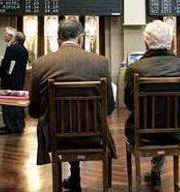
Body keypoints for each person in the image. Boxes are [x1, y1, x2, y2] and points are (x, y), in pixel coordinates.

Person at [29, 19, 117, 192]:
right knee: (81, 119)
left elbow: (35, 110)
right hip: (93, 135)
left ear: (57, 39)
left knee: (63, 121)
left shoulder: (41, 64)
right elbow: (109, 107)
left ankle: (73, 176)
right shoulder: (100, 63)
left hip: (56, 137)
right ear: (81, 39)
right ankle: (75, 175)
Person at [124, 20, 180, 188]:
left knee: (154, 119)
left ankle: (153, 171)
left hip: (142, 135)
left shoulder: (134, 69)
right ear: (170, 41)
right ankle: (157, 169)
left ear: (146, 42)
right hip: (176, 134)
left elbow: (129, 103)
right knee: (167, 119)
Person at [0, 27, 29, 135]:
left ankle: (9, 126)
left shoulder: (11, 49)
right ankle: (19, 125)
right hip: (19, 80)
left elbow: (6, 64)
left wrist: (1, 73)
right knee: (17, 103)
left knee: (7, 103)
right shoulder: (24, 50)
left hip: (9, 80)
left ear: (15, 39)